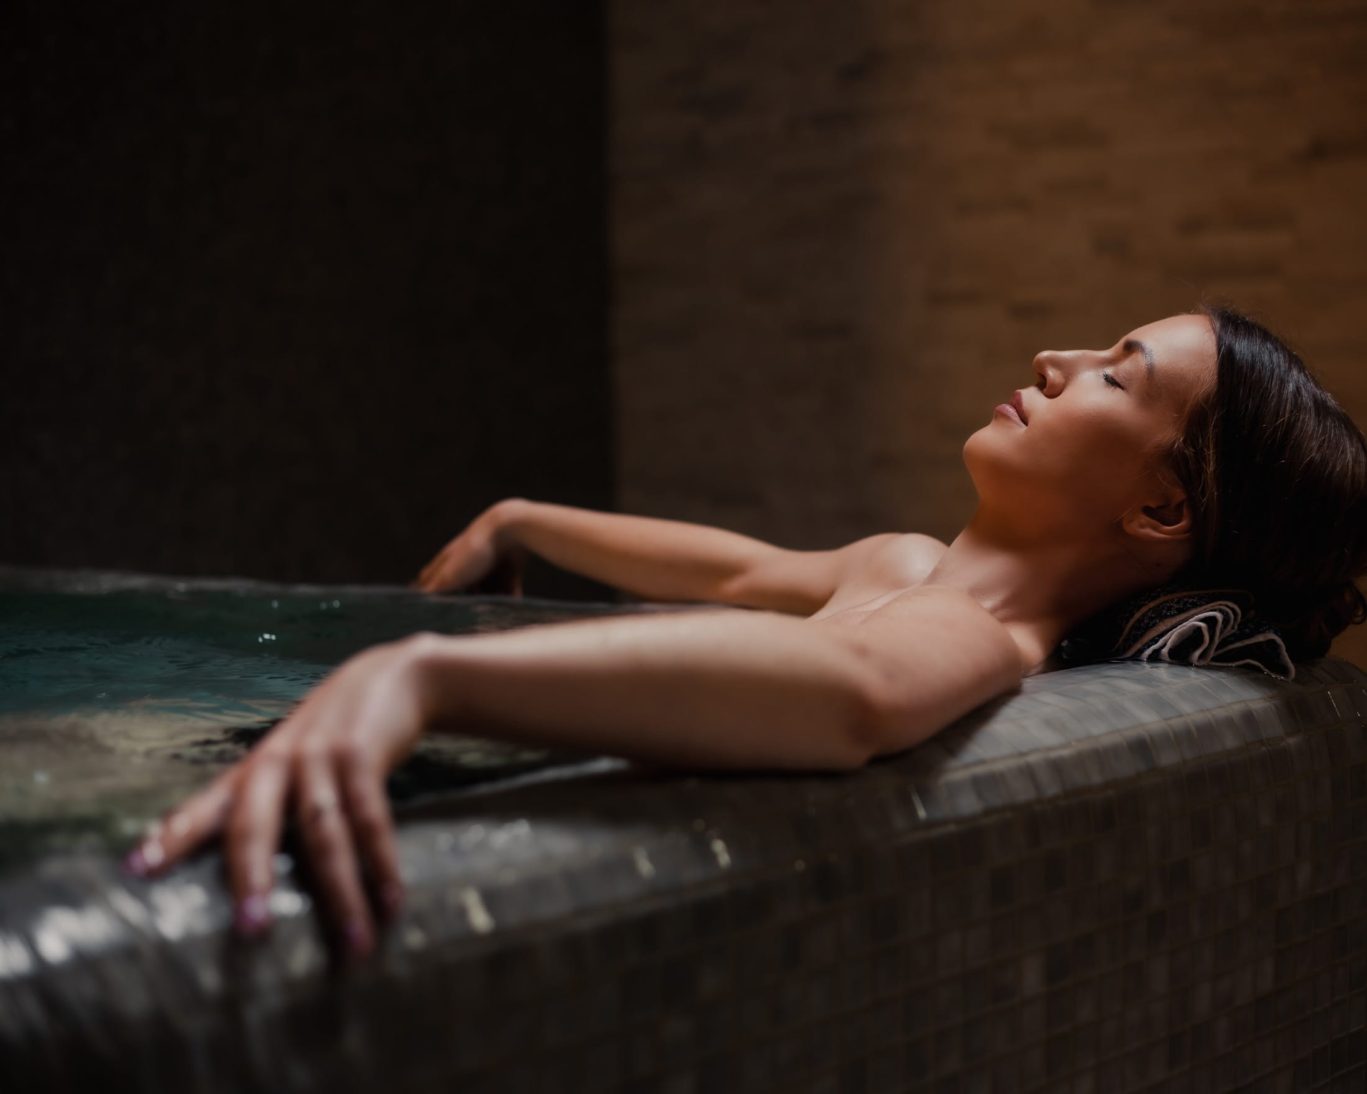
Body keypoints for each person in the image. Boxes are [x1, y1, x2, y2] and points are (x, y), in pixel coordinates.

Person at [123, 305, 1366, 958]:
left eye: (1112, 372)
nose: (1052, 355)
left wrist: (431, 675)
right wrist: (522, 518)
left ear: (1160, 504)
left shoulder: (986, 643)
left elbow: (846, 693)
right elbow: (740, 569)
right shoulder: (908, 562)